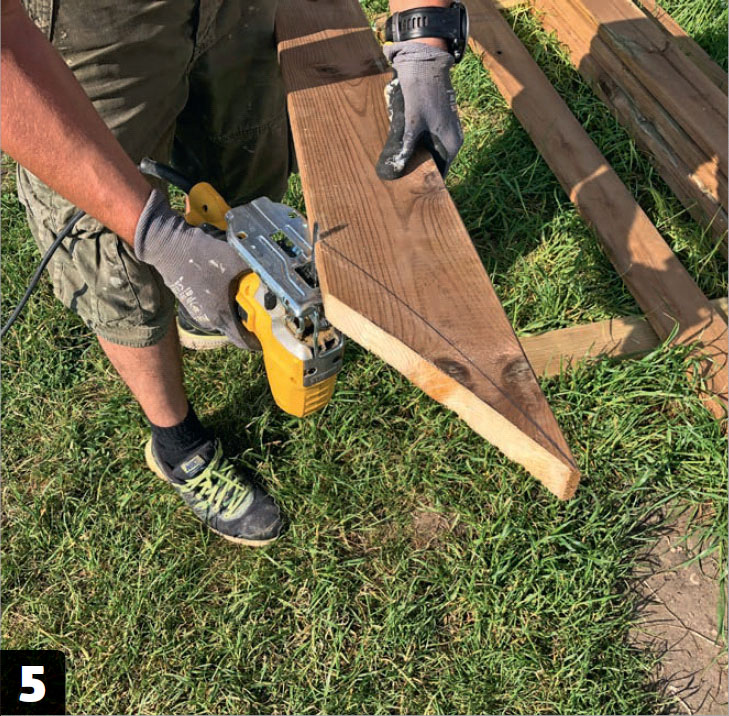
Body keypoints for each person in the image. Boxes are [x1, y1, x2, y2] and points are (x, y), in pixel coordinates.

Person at [1, 0, 464, 546]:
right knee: (112, 249)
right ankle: (176, 444)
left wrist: (424, 43)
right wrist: (158, 235)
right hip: (90, 22)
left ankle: (208, 311)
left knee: (245, 157)